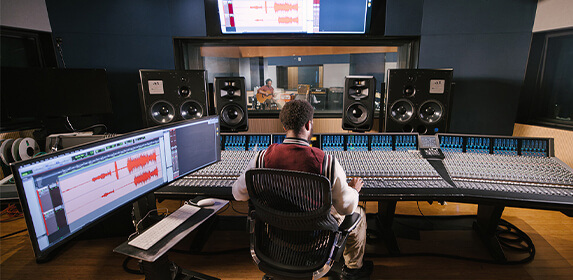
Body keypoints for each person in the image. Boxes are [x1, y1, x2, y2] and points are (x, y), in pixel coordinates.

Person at [232, 100, 373, 280]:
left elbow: (237, 194)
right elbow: (346, 208)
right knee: (358, 212)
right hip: (315, 241)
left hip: (276, 238)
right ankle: (353, 270)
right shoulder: (326, 162)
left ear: (284, 126)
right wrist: (354, 190)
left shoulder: (261, 158)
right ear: (308, 124)